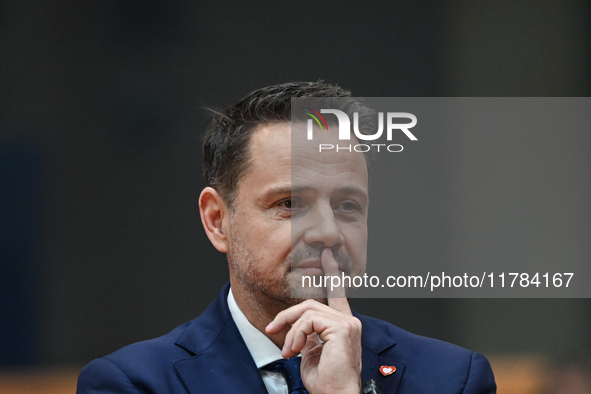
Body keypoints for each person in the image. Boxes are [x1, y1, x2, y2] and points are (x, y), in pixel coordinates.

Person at [76, 82, 496, 393]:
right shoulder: (133, 383)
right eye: (290, 204)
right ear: (218, 220)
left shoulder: (452, 378)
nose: (328, 232)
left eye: (348, 206)